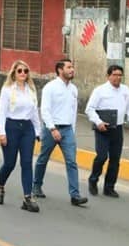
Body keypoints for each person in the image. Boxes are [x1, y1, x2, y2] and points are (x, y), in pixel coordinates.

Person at [33, 59, 88, 207]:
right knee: (43, 159)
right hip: (52, 128)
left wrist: (72, 130)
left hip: (67, 129)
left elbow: (73, 111)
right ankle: (36, 186)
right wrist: (52, 129)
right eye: (69, 67)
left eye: (72, 67)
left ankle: (75, 195)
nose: (72, 70)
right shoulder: (50, 88)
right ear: (59, 70)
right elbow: (45, 110)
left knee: (71, 162)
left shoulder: (73, 89)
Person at [85, 65, 129, 198]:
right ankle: (93, 181)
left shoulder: (125, 90)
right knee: (102, 156)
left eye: (120, 75)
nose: (117, 77)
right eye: (114, 75)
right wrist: (98, 122)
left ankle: (109, 187)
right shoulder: (100, 91)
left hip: (117, 129)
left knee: (115, 159)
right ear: (108, 76)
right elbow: (89, 109)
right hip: (103, 129)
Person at [0, 60, 41, 212]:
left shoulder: (31, 90)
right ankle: (1, 186)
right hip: (11, 127)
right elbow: (1, 112)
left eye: (26, 71)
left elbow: (34, 112)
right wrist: (1, 132)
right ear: (14, 73)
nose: (23, 74)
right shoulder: (7, 90)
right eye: (20, 71)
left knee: (27, 163)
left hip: (27, 128)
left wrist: (38, 130)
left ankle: (28, 197)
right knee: (9, 163)